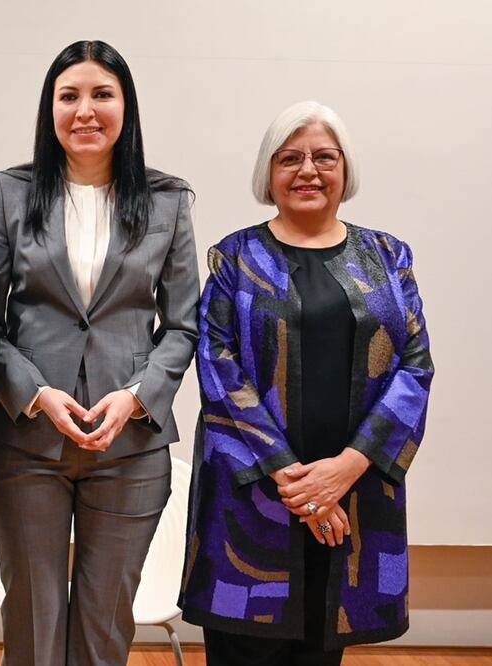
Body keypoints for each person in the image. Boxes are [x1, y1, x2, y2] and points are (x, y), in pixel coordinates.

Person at [179, 101, 434, 665]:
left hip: (355, 495)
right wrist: (296, 483)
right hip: (257, 496)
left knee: (323, 647)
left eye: (324, 157)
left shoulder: (389, 258)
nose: (308, 170)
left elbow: (415, 366)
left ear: (346, 169)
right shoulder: (235, 258)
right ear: (268, 174)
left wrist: (347, 468)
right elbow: (218, 370)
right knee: (244, 647)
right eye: (289, 158)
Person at [0, 40, 199, 666]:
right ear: (50, 107)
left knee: (105, 630)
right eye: (68, 95)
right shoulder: (10, 192)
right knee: (32, 627)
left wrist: (136, 398)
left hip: (129, 447)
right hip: (26, 444)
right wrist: (35, 393)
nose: (85, 110)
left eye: (102, 94)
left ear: (125, 106)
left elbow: (183, 326)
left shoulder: (167, 200)